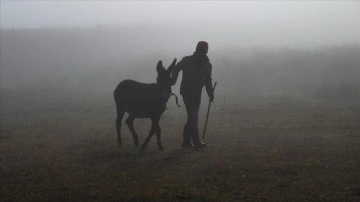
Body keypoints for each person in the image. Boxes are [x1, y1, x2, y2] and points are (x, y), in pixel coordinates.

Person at [171, 41, 214, 149]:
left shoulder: (207, 65)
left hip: (197, 93)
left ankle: (186, 141)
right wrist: (173, 81)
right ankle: (196, 141)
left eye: (204, 50)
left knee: (192, 117)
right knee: (194, 116)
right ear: (197, 49)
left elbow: (208, 80)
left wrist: (210, 94)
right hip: (186, 92)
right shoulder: (187, 60)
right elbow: (176, 68)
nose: (202, 52)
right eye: (201, 50)